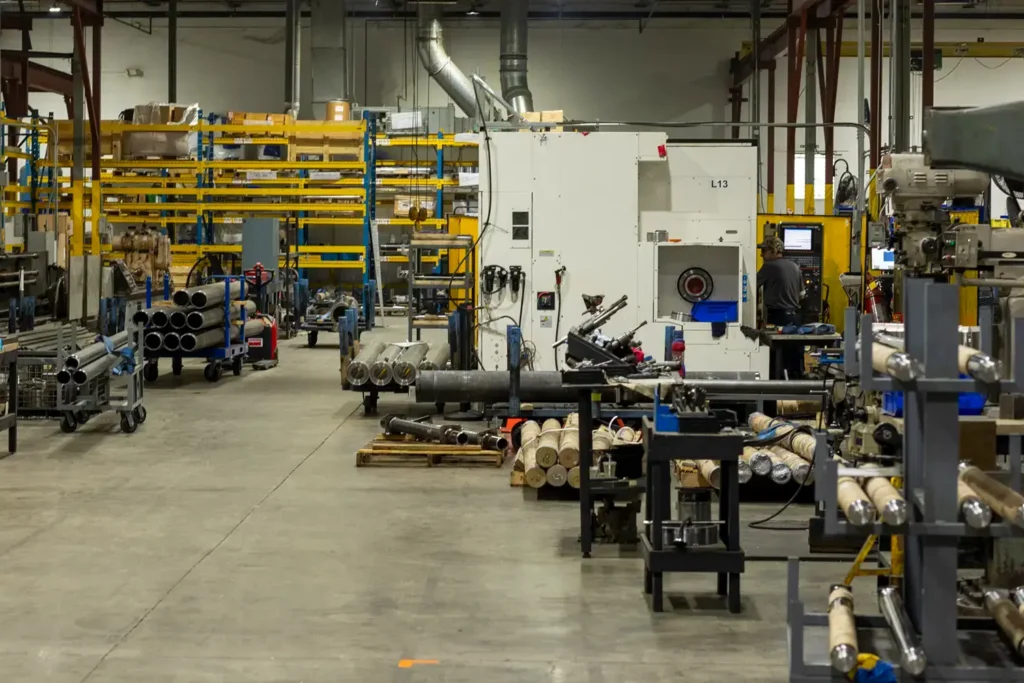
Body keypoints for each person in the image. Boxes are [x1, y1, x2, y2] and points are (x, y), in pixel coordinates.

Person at [757, 236, 804, 379]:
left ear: (773, 250)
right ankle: (796, 384)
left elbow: (750, 286)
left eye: (764, 251)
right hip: (795, 317)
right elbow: (802, 294)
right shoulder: (795, 267)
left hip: (777, 317)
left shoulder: (769, 267)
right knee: (794, 355)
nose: (761, 255)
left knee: (775, 358)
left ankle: (775, 390)